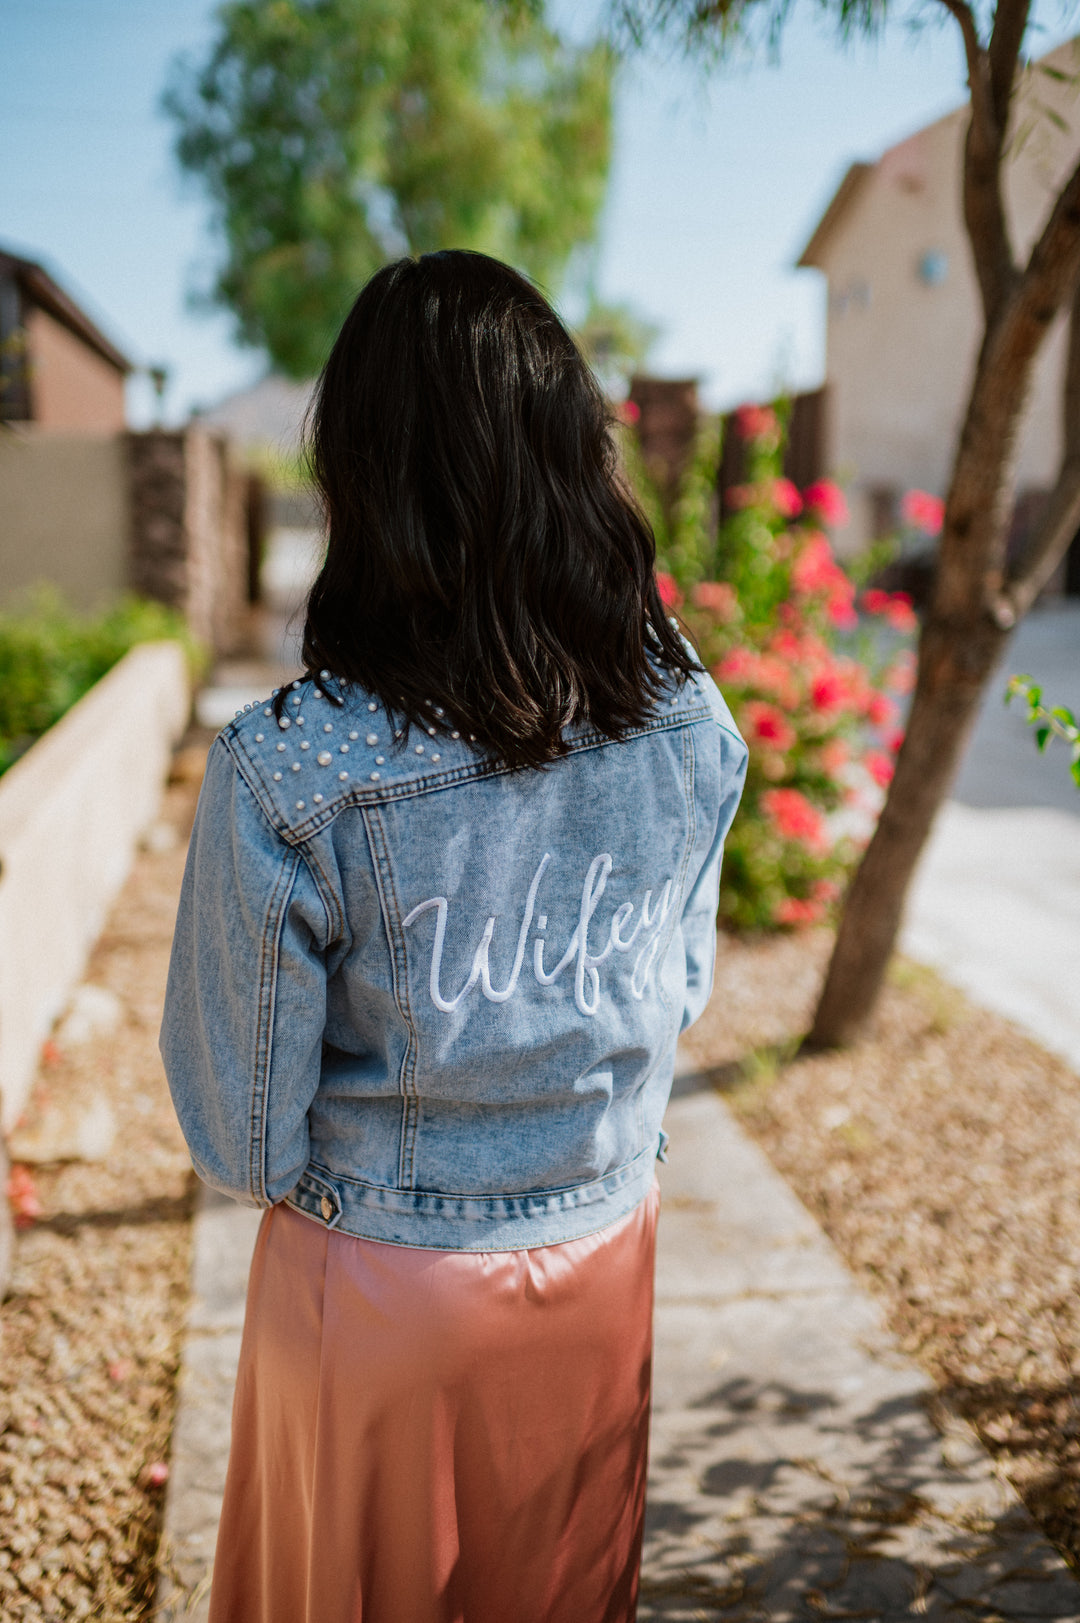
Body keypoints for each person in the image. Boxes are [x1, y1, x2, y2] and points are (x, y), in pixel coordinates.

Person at [160, 249, 747, 1623]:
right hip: (603, 1259)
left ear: (365, 478)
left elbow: (244, 1139)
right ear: (570, 452)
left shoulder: (288, 769)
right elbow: (681, 990)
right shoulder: (686, 714)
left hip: (379, 1297)